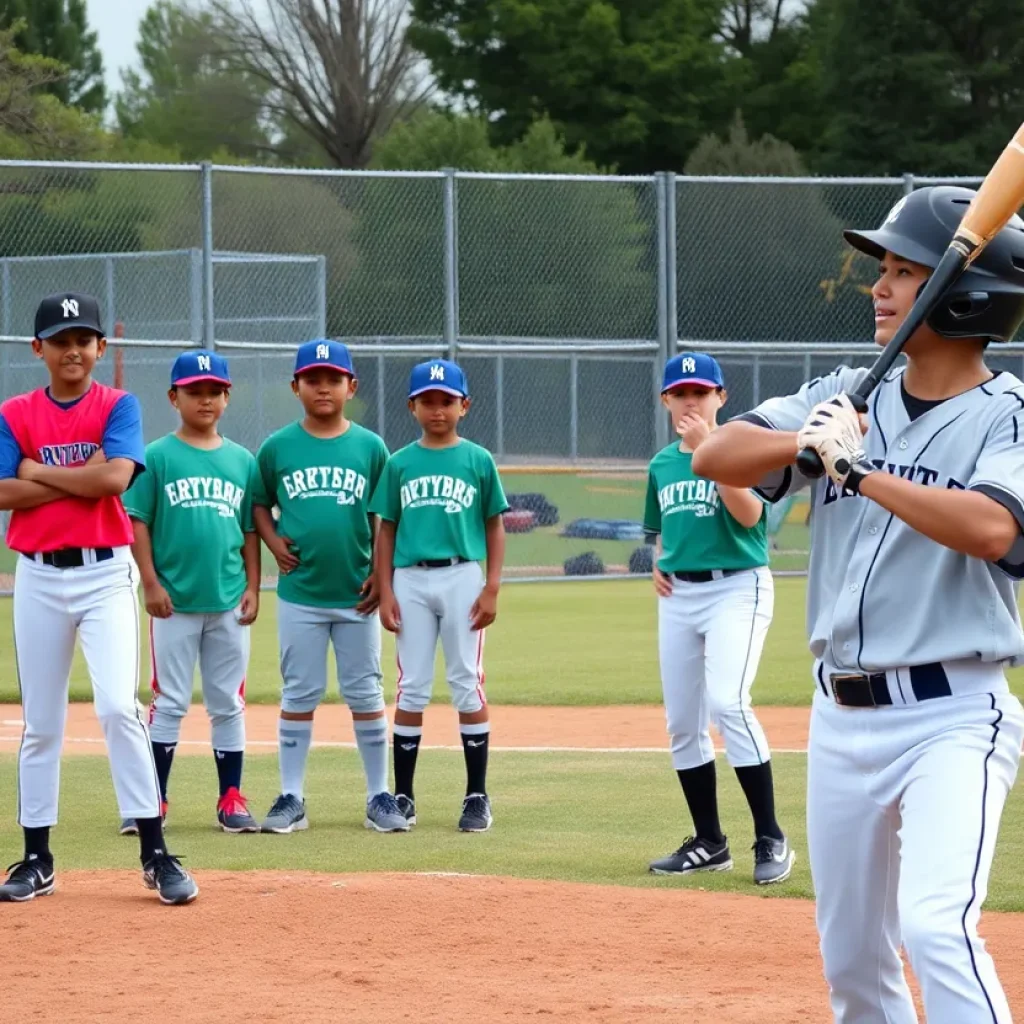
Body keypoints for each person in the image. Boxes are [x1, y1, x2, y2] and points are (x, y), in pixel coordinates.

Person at [692, 185, 1024, 1023]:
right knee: (853, 962)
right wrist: (805, 443)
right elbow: (718, 455)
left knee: (935, 927)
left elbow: (992, 527)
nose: (877, 286)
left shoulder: (1008, 416)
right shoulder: (846, 391)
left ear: (963, 295)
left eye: (905, 271)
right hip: (841, 719)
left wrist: (855, 471)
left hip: (952, 714)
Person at [0, 292, 197, 905]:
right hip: (37, 574)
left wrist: (38, 473)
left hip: (105, 574)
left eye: (83, 339)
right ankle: (37, 857)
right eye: (60, 340)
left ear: (100, 348)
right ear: (39, 349)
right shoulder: (15, 411)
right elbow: (1, 493)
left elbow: (114, 479)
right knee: (42, 724)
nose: (73, 350)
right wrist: (77, 478)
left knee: (118, 708)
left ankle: (154, 851)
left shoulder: (119, 404)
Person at [644, 352, 794, 885]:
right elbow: (660, 529)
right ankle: (709, 842)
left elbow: (751, 516)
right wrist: (661, 561)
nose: (691, 401)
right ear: (665, 400)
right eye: (680, 393)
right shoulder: (661, 464)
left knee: (729, 702)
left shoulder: (739, 450)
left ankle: (771, 836)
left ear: (721, 399)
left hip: (738, 587)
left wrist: (709, 448)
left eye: (701, 392)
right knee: (683, 723)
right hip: (680, 596)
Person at [254, 339, 407, 834]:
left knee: (365, 691)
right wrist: (273, 541)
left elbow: (384, 518)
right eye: (313, 379)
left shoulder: (369, 446)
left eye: (333, 378)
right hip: (301, 592)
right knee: (299, 691)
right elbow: (258, 503)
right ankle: (291, 796)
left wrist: (382, 579)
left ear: (351, 386)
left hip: (357, 594)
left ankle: (378, 795)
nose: (323, 387)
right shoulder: (278, 447)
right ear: (295, 386)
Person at [119, 349, 261, 837]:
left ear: (227, 397)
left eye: (213, 391)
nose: (204, 399)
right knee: (170, 701)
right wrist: (151, 583)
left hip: (227, 599)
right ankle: (152, 799)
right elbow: (137, 522)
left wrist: (255, 588)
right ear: (173, 397)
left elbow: (249, 531)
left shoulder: (242, 460)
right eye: (193, 391)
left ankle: (231, 798)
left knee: (228, 702)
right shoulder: (156, 456)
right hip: (173, 601)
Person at [370, 359, 508, 832]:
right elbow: (386, 529)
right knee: (412, 686)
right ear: (412, 406)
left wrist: (491, 586)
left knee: (466, 680)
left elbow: (494, 524)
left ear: (464, 406)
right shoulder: (399, 462)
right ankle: (404, 795)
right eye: (427, 400)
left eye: (446, 400)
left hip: (462, 575)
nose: (437, 409)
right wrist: (385, 587)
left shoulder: (477, 459)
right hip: (410, 576)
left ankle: (476, 795)